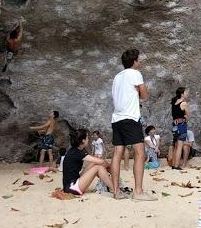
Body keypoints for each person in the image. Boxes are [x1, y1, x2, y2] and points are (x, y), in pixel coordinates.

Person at [109, 48, 156, 202]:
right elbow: (145, 96)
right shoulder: (135, 73)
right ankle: (138, 191)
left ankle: (116, 191)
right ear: (134, 61)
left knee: (117, 154)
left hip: (117, 118)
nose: (139, 62)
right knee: (140, 153)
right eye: (138, 60)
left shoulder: (117, 77)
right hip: (131, 117)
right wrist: (138, 90)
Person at [63, 127, 115, 195]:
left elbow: (96, 161)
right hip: (73, 188)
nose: (88, 140)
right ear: (83, 140)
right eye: (87, 138)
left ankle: (111, 182)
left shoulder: (74, 150)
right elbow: (101, 162)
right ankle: (115, 190)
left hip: (71, 183)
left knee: (94, 163)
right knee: (98, 167)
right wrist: (111, 169)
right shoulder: (77, 152)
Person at [171, 86, 191, 169]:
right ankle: (176, 166)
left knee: (176, 146)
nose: (187, 93)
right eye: (186, 92)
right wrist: (186, 117)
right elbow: (188, 115)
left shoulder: (174, 102)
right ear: (182, 94)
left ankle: (173, 164)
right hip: (181, 126)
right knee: (179, 147)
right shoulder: (184, 103)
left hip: (174, 126)